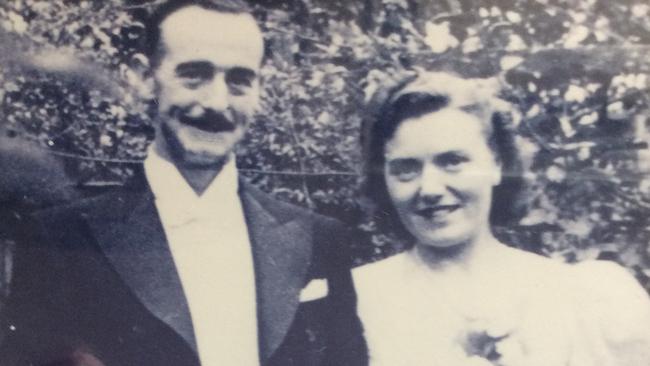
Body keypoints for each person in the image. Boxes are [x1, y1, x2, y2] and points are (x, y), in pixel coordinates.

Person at [0, 1, 366, 365]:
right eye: (194, 74)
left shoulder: (319, 239)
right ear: (145, 78)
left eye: (239, 80)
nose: (217, 102)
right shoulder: (60, 239)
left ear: (259, 91)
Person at [353, 71, 650, 366]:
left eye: (453, 161)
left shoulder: (582, 298)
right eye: (406, 168)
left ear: (496, 164)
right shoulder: (355, 301)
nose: (429, 188)